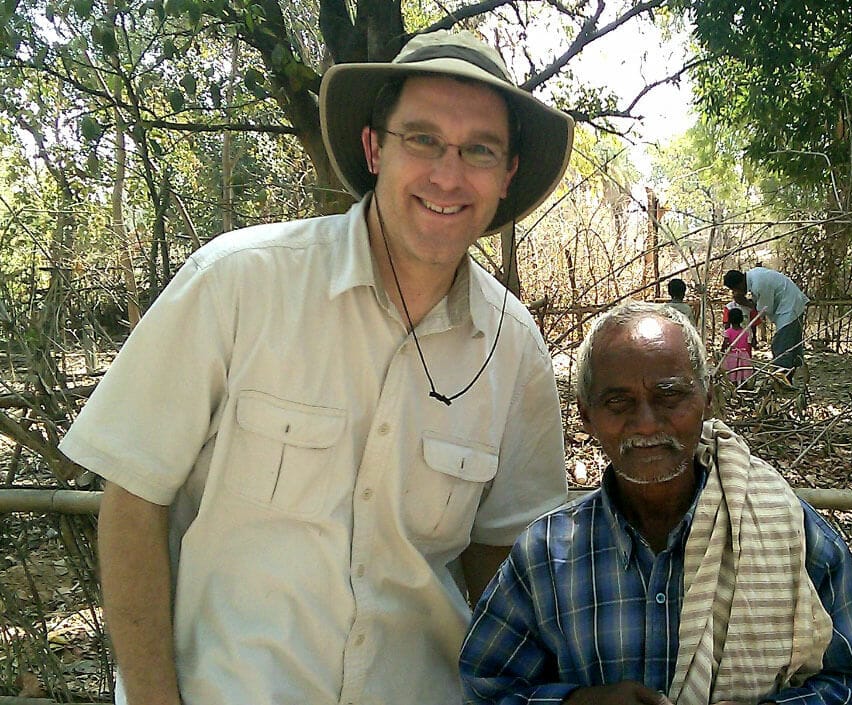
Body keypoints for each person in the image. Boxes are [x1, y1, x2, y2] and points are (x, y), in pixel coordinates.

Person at [59, 30, 575, 705]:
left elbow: (501, 555)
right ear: (373, 147)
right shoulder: (239, 283)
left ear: (506, 175)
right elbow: (132, 498)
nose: (448, 175)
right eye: (421, 139)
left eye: (479, 149)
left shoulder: (514, 348)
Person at [460, 301, 852, 705]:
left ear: (708, 399)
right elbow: (485, 685)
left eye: (670, 396)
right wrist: (577, 702)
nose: (647, 424)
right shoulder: (545, 554)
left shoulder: (783, 527)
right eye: (619, 402)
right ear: (586, 414)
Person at [724, 267, 808, 383]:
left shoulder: (759, 284)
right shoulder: (754, 275)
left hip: (789, 307)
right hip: (791, 304)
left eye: (735, 290)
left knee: (781, 346)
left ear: (738, 286)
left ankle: (782, 379)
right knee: (792, 345)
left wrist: (745, 303)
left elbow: (765, 309)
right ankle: (795, 377)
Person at [721, 306, 753, 385]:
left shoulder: (728, 332)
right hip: (744, 355)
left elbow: (725, 343)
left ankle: (734, 388)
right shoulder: (745, 332)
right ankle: (743, 386)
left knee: (733, 373)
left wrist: (722, 350)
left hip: (732, 355)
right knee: (743, 373)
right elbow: (748, 344)